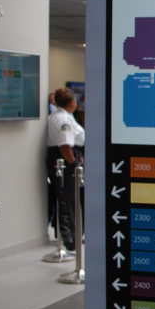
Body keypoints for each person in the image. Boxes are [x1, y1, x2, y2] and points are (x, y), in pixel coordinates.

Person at [46, 88, 85, 252]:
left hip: (67, 157)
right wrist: (74, 164)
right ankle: (70, 238)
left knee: (72, 198)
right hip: (65, 160)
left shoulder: (63, 116)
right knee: (68, 199)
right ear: (72, 103)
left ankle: (75, 234)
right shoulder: (62, 119)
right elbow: (65, 146)